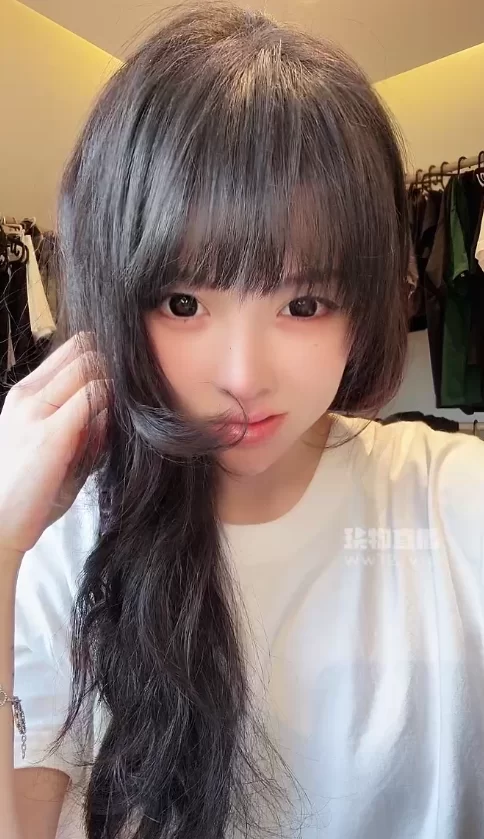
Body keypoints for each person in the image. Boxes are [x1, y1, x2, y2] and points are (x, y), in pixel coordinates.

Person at [1, 4, 484, 838]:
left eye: (305, 302)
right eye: (184, 302)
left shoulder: (450, 499)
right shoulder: (63, 541)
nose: (243, 376)